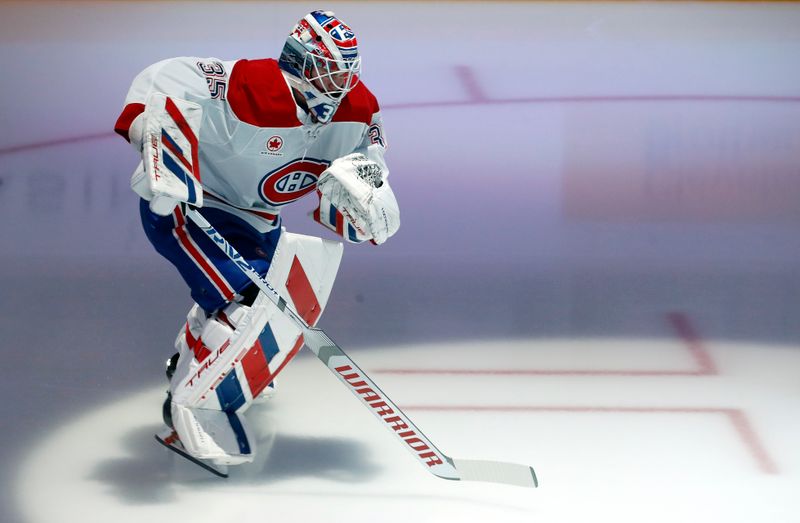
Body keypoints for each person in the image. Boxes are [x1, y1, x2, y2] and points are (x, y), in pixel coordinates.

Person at [113, 10, 399, 471]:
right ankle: (190, 407)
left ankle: (205, 361)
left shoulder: (358, 109)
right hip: (193, 206)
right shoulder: (242, 88)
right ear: (298, 62)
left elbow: (366, 164)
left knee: (256, 306)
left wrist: (367, 194)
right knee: (245, 303)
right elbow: (162, 78)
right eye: (329, 69)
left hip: (260, 222)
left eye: (347, 71)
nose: (340, 83)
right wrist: (152, 134)